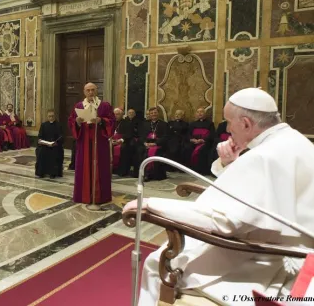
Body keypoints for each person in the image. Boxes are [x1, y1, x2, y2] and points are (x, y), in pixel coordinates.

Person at [124, 87, 314, 305]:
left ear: (245, 123)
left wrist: (151, 204)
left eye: (229, 122)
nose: (228, 130)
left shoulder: (264, 156)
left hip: (272, 256)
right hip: (282, 243)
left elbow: (225, 220)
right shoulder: (293, 140)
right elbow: (257, 198)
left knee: (155, 263)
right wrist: (231, 163)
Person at [68, 82, 113, 204]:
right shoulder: (79, 105)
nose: (90, 92)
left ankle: (101, 196)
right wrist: (77, 122)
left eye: (93, 90)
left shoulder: (104, 106)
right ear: (84, 91)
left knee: (100, 167)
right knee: (84, 166)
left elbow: (111, 121)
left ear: (97, 91)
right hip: (84, 141)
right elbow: (71, 121)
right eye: (88, 90)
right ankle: (84, 196)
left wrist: (101, 120)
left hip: (100, 142)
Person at [135, 107, 169, 181]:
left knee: (151, 152)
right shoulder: (145, 124)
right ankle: (143, 173)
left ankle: (150, 174)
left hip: (158, 145)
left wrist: (155, 143)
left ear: (158, 113)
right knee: (140, 151)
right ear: (149, 115)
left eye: (155, 112)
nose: (153, 114)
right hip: (146, 144)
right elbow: (140, 136)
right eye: (151, 113)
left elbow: (165, 137)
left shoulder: (164, 124)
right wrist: (145, 143)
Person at [183, 107, 215, 175]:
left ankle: (200, 170)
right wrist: (191, 139)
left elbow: (212, 135)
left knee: (202, 150)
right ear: (196, 114)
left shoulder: (210, 123)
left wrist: (203, 140)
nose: (199, 113)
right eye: (198, 112)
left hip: (204, 142)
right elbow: (188, 134)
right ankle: (190, 168)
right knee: (187, 148)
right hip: (194, 142)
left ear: (205, 114)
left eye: (201, 112)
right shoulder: (192, 124)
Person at [35, 109, 63, 178]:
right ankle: (41, 172)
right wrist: (41, 141)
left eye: (52, 116)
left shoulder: (58, 125)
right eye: (49, 116)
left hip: (55, 145)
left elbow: (61, 137)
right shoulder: (44, 125)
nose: (51, 118)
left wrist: (56, 143)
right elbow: (40, 136)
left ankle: (52, 173)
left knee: (53, 153)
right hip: (45, 145)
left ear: (55, 116)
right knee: (41, 152)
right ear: (47, 117)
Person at [110, 108, 133, 176]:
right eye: (114, 114)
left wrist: (120, 140)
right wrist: (110, 140)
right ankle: (110, 169)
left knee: (124, 148)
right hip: (112, 140)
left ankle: (121, 170)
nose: (116, 116)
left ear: (122, 115)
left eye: (118, 114)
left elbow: (129, 134)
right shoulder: (111, 123)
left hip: (123, 141)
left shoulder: (127, 123)